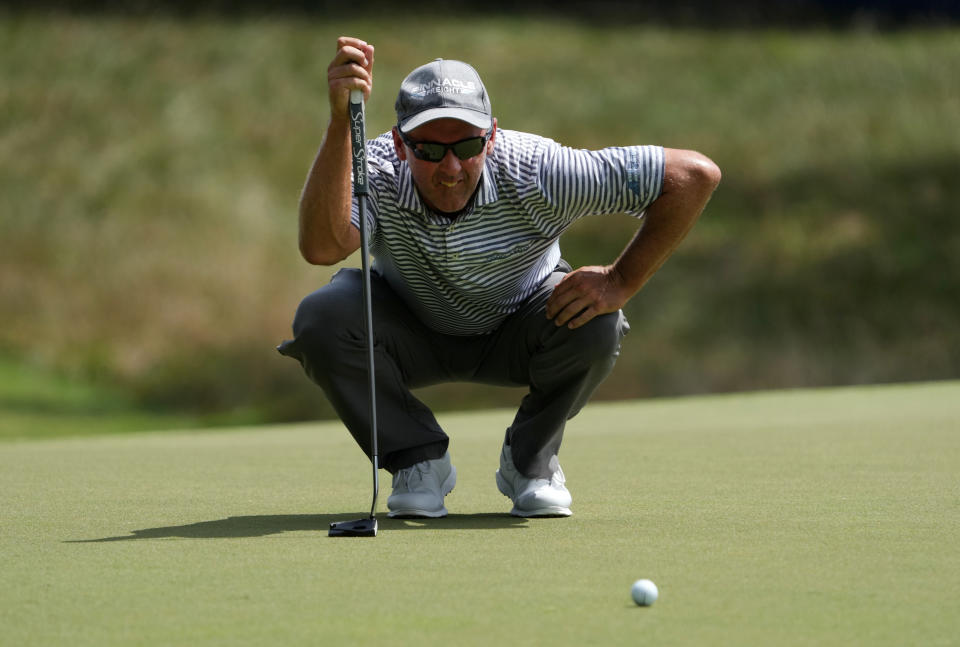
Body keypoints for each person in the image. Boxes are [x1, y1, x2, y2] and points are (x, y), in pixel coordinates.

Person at [278, 37, 721, 519]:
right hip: (409, 330)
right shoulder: (378, 168)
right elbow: (321, 247)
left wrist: (620, 280)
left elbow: (694, 176)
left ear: (491, 138)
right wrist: (342, 122)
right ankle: (416, 461)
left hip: (521, 328)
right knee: (321, 317)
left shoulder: (539, 171)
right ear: (401, 146)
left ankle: (529, 463)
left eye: (467, 146)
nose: (450, 167)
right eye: (428, 148)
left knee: (598, 320)